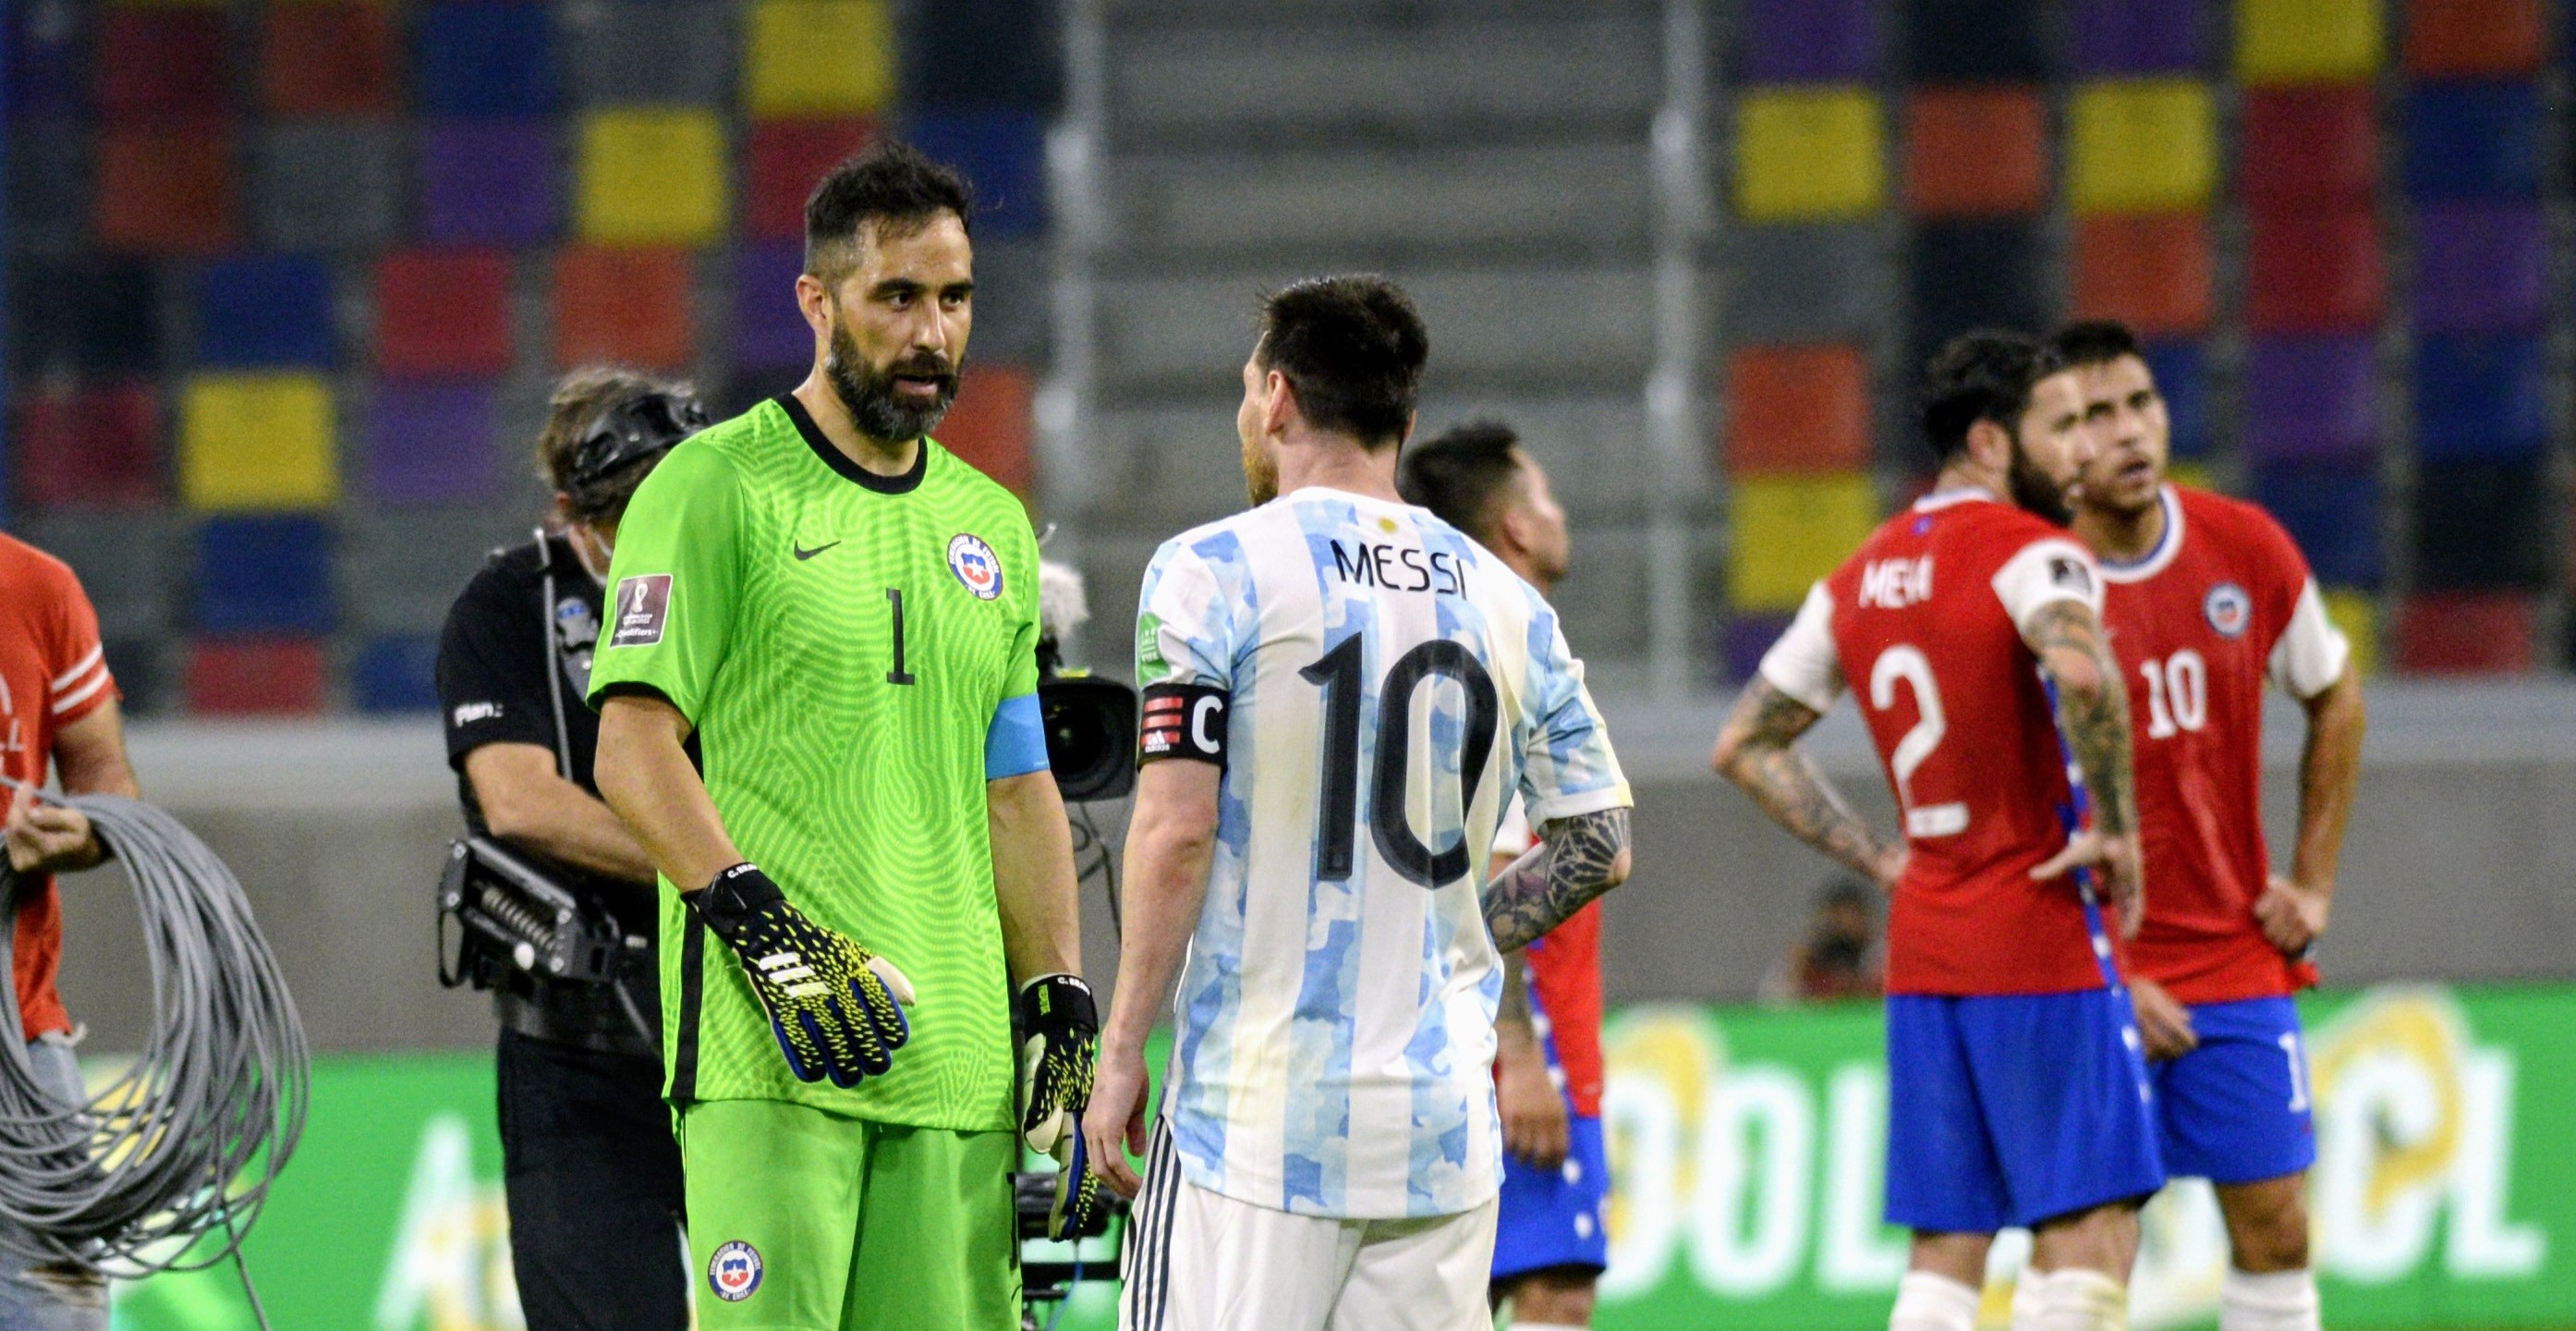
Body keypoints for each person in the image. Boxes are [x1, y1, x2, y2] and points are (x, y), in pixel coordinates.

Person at [587, 141, 1095, 1330]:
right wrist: (763, 933)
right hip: (779, 1055)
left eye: (954, 299)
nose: (931, 333)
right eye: (897, 297)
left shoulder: (993, 528)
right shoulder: (713, 489)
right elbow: (631, 748)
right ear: (818, 303)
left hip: (959, 1072)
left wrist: (1057, 1000)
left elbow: (1017, 790)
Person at [1084, 276, 1636, 1331]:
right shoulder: (1504, 600)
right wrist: (1457, 929)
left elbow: (1175, 830)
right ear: (1404, 420)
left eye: (1248, 390)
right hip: (1439, 1137)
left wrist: (1120, 1057)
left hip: (1257, 1126)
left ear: (1278, 396)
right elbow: (1601, 842)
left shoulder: (1212, 571)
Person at [1712, 331, 2160, 1331]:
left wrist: (1877, 858)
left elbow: (1744, 743)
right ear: (1995, 443)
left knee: (1946, 1251)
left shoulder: (1859, 576)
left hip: (1926, 945)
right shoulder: (2037, 554)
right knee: (2087, 1232)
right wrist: (2118, 827)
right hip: (2037, 926)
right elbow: (2082, 672)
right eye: (2064, 428)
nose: (2085, 453)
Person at [2026, 320, 2364, 1331]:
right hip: (2083, 969)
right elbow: (2005, 805)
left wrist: (2310, 881)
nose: (2125, 432)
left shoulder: (2244, 548)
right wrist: (2101, 972)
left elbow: (2335, 696)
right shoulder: (2031, 583)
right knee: (2089, 1251)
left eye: (2138, 403)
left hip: (2231, 959)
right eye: (2090, 417)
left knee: (2276, 1228)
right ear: (2053, 444)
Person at [433, 368, 705, 1331]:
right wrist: (723, 872)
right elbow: (521, 803)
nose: (669, 526)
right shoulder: (504, 606)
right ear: (571, 514)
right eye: (638, 507)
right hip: (579, 1054)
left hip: (742, 1035)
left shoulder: (752, 594)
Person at [1396, 420, 1608, 1331]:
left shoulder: (1438, 640)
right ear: (1516, 526)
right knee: (1551, 1295)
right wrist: (1514, 1051)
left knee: (1449, 1293)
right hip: (1515, 1038)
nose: (1561, 516)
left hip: (1437, 1034)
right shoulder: (1514, 651)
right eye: (1547, 497)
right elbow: (1496, 857)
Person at [0, 531, 142, 1331]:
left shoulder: (37, 587)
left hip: (18, 1044)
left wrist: (79, 831)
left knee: (62, 1311)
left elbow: (101, 780)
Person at [1758, 877, 1884, 1004]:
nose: (1845, 924)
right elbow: (1774, 1002)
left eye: (1853, 916)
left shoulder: (1877, 955)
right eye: (1837, 917)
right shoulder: (1808, 954)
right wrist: (1797, 970)